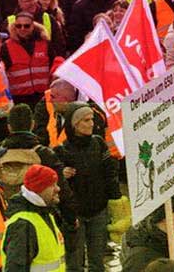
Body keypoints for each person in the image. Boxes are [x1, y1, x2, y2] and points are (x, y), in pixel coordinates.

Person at [55, 104, 121, 272]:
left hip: (98, 210)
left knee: (97, 262)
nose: (91, 123)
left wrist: (114, 198)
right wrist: (61, 174)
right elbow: (55, 183)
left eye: (91, 119)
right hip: (74, 215)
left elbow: (110, 171)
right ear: (74, 124)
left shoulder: (99, 143)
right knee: (74, 263)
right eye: (86, 120)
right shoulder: (61, 150)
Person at [2, 165, 67, 272]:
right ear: (39, 189)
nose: (58, 188)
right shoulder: (23, 225)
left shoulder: (46, 214)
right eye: (52, 185)